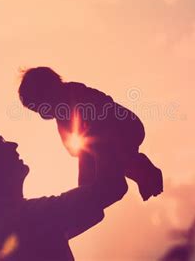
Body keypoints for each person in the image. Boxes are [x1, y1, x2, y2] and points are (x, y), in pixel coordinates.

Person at [0, 126, 128, 261]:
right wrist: (101, 134)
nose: (13, 144)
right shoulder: (28, 218)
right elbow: (110, 189)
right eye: (0, 143)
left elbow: (89, 197)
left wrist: (85, 148)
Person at [18, 67, 163, 200]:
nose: (43, 114)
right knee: (101, 163)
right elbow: (72, 146)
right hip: (109, 139)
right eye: (38, 111)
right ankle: (140, 173)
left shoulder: (78, 94)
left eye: (41, 107)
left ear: (51, 90)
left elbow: (103, 117)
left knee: (102, 161)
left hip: (126, 128)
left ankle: (142, 170)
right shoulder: (61, 114)